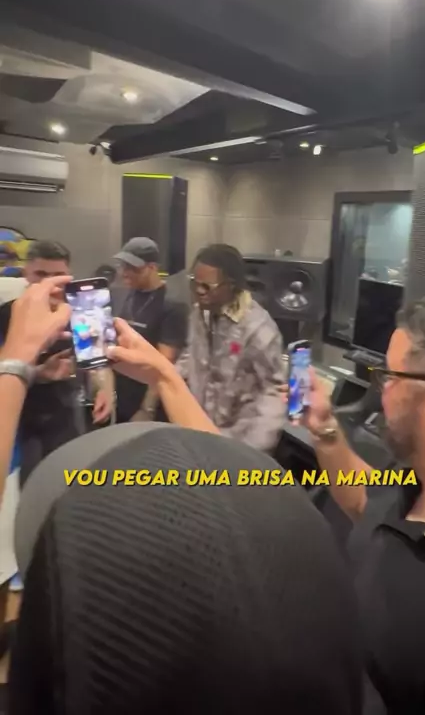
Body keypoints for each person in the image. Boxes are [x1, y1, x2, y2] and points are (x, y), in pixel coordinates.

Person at [10, 322, 363, 715]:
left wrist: (12, 368)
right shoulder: (396, 495)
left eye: (391, 376)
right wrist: (326, 430)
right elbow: (350, 495)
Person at [304, 292, 425, 714]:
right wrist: (325, 429)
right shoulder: (421, 480)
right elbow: (368, 501)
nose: (380, 390)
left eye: (390, 377)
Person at [0, 241, 113, 485]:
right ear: (26, 273)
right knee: (31, 486)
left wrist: (104, 389)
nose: (50, 283)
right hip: (21, 418)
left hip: (67, 413)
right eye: (41, 275)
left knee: (67, 484)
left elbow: (97, 358)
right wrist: (40, 373)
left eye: (57, 275)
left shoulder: (81, 313)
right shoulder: (7, 315)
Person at [178, 244, 285, 452]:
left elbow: (274, 391)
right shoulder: (200, 313)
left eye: (208, 286)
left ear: (231, 285)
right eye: (195, 283)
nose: (199, 291)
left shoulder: (258, 328)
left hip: (239, 444)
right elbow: (192, 355)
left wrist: (253, 450)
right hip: (201, 431)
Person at [112, 237, 188, 423]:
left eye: (133, 268)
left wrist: (147, 409)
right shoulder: (127, 294)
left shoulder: (172, 305)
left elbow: (164, 363)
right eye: (123, 266)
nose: (125, 273)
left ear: (152, 267)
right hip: (122, 398)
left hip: (151, 403)